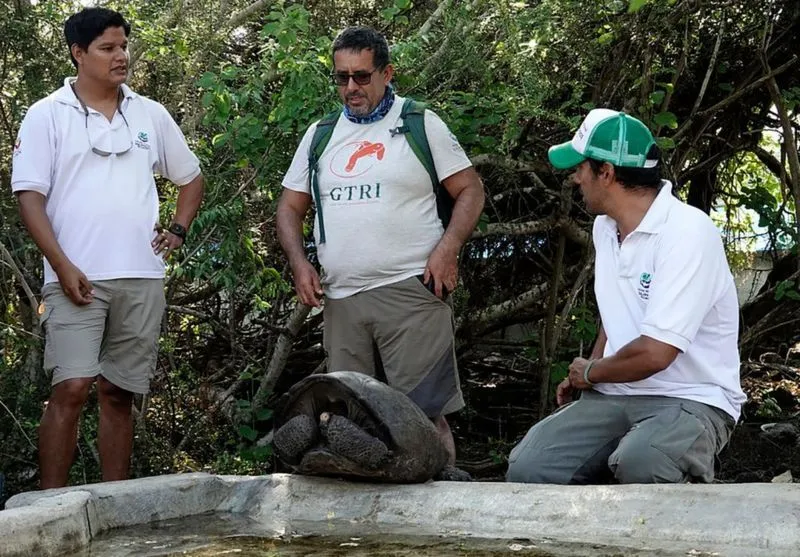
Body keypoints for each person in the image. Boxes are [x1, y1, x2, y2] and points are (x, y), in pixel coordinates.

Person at [11, 7, 204, 489]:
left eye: (124, 46)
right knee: (72, 387)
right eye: (108, 48)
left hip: (141, 275)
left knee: (119, 393)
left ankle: (116, 505)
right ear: (79, 54)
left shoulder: (149, 113)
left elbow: (191, 178)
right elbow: (28, 197)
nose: (121, 56)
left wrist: (176, 231)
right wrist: (61, 264)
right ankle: (50, 508)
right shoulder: (46, 114)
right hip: (75, 277)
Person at [277, 26, 484, 465]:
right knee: (347, 420)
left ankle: (442, 508)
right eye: (341, 77)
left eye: (362, 76)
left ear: (387, 73)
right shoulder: (321, 134)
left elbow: (470, 190)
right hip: (342, 299)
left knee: (427, 416)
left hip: (410, 289)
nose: (351, 87)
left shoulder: (419, 123)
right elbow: (289, 208)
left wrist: (448, 249)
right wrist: (299, 263)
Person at [506, 109, 745, 484]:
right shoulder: (606, 228)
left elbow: (656, 354)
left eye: (580, 167)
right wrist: (596, 366)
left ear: (606, 173)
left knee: (643, 463)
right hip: (616, 394)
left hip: (692, 397)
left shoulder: (687, 232)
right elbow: (616, 308)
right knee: (529, 468)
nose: (574, 178)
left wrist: (590, 371)